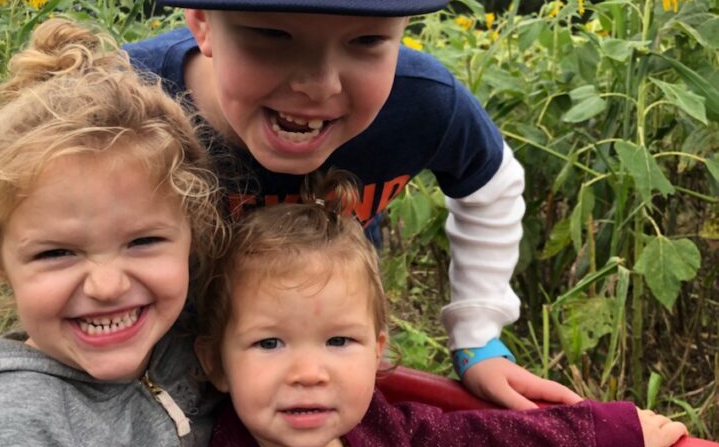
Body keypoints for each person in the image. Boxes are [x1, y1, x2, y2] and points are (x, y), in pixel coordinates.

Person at [125, 0, 569, 409]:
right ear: (202, 24)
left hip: (319, 371)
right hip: (159, 365)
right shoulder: (129, 107)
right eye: (270, 35)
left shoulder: (423, 102)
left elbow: (492, 184)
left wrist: (478, 334)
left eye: (366, 41)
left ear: (402, 32)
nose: (320, 84)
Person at [193, 170, 688, 447]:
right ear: (215, 363)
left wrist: (610, 431)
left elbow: (492, 439)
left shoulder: (388, 433)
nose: (308, 373)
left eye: (339, 341)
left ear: (377, 352)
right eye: (269, 343)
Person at [0, 19, 225, 447]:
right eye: (57, 253)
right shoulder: (2, 426)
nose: (108, 286)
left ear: (194, 234)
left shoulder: (198, 353)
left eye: (143, 242)